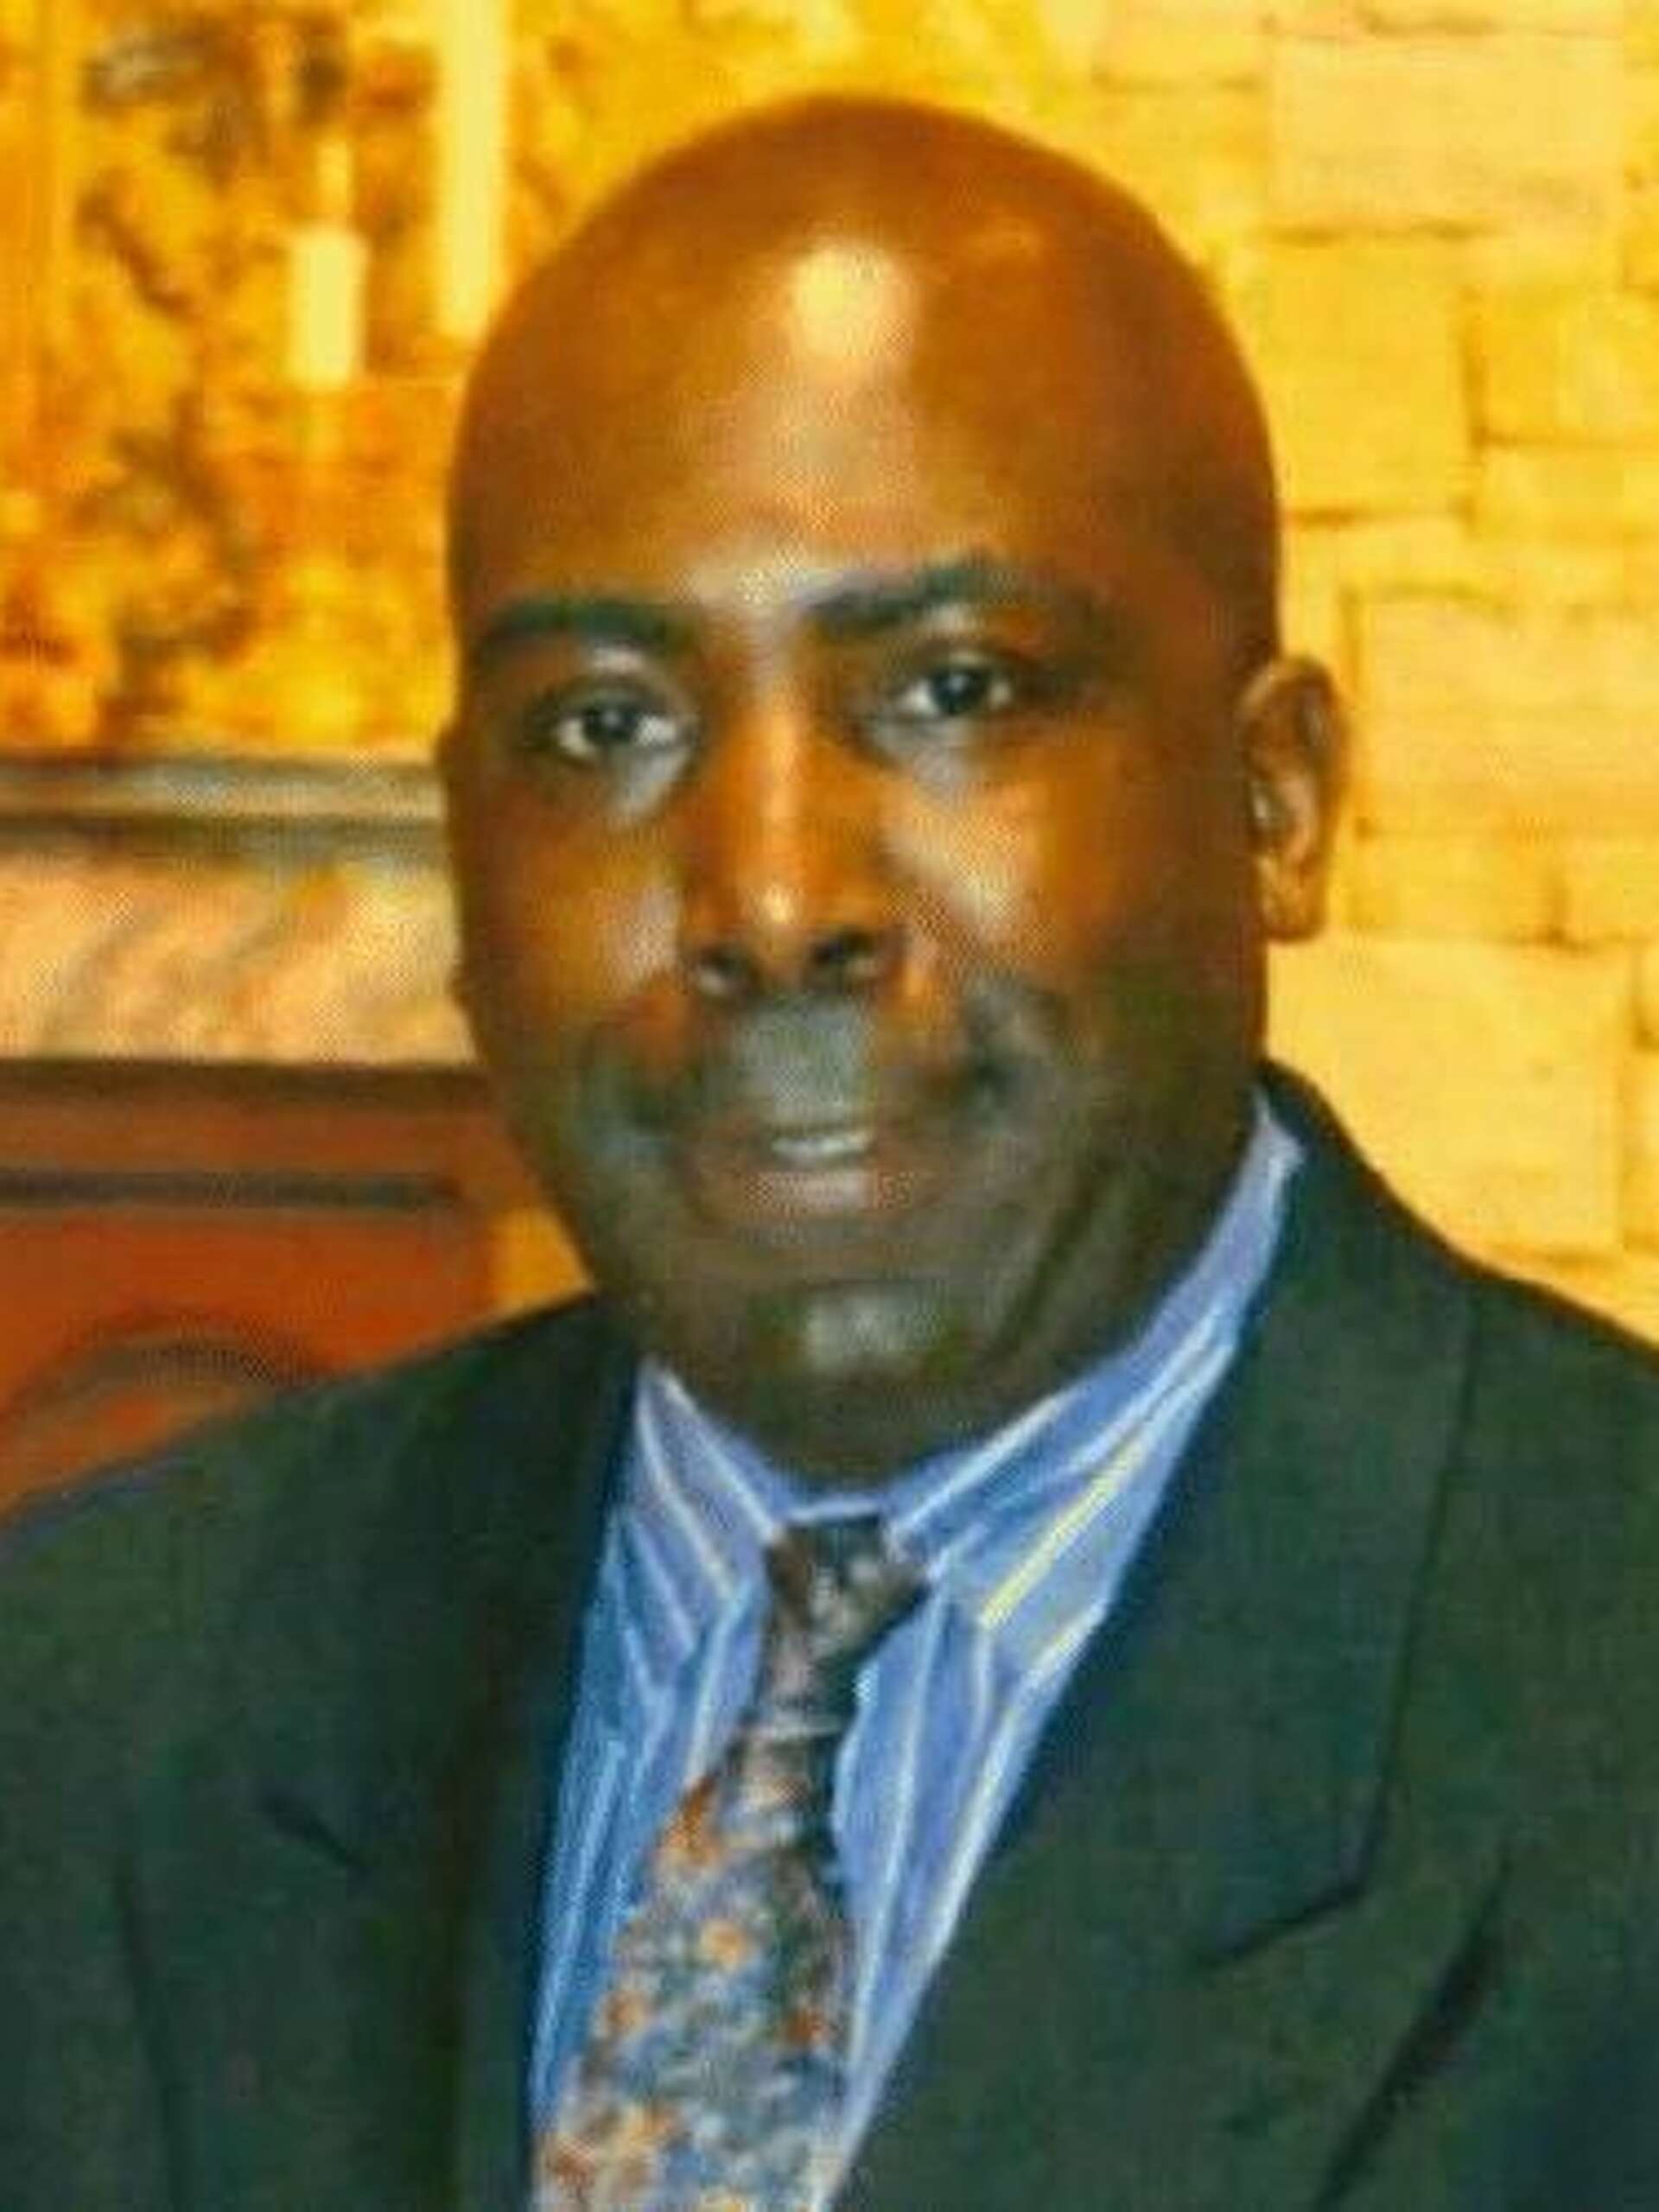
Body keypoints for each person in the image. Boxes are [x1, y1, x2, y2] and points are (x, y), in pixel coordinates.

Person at [5, 93, 1659, 2212]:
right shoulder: (87, 1706)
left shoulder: (1599, 1706)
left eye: (954, 689)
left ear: (1275, 797)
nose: (773, 897)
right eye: (606, 724)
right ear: (465, 860)